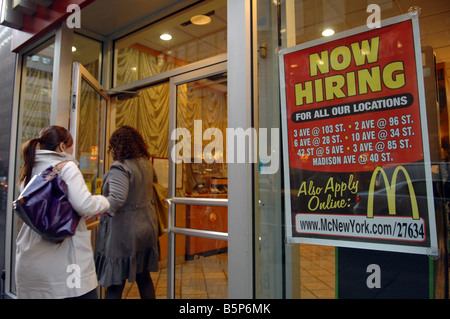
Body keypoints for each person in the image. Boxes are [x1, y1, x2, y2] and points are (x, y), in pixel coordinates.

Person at [15, 125, 110, 299]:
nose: (72, 150)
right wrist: (105, 201)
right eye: (71, 145)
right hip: (64, 267)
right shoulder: (66, 166)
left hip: (29, 262)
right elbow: (85, 205)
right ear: (62, 147)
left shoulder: (29, 168)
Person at [94, 125, 159, 299]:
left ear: (117, 146)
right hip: (146, 227)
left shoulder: (120, 167)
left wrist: (94, 207)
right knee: (144, 277)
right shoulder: (146, 165)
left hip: (125, 232)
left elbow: (116, 199)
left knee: (115, 283)